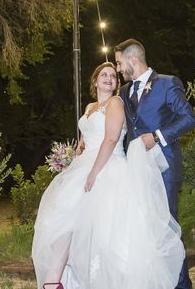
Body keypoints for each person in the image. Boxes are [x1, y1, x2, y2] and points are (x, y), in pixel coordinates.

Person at [32, 62, 186, 289]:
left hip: (108, 168)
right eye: (103, 75)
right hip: (84, 167)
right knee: (63, 225)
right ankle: (53, 283)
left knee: (106, 235)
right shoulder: (89, 107)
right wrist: (73, 157)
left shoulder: (115, 103)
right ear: (94, 81)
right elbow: (85, 140)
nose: (109, 78)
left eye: (113, 76)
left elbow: (111, 139)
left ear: (116, 83)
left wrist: (94, 173)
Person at [114, 39, 195, 289]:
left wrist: (157, 136)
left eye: (119, 63)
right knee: (142, 225)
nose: (118, 69)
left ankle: (182, 285)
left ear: (133, 60)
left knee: (167, 226)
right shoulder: (124, 92)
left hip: (164, 167)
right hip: (135, 170)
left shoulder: (167, 83)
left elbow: (189, 119)